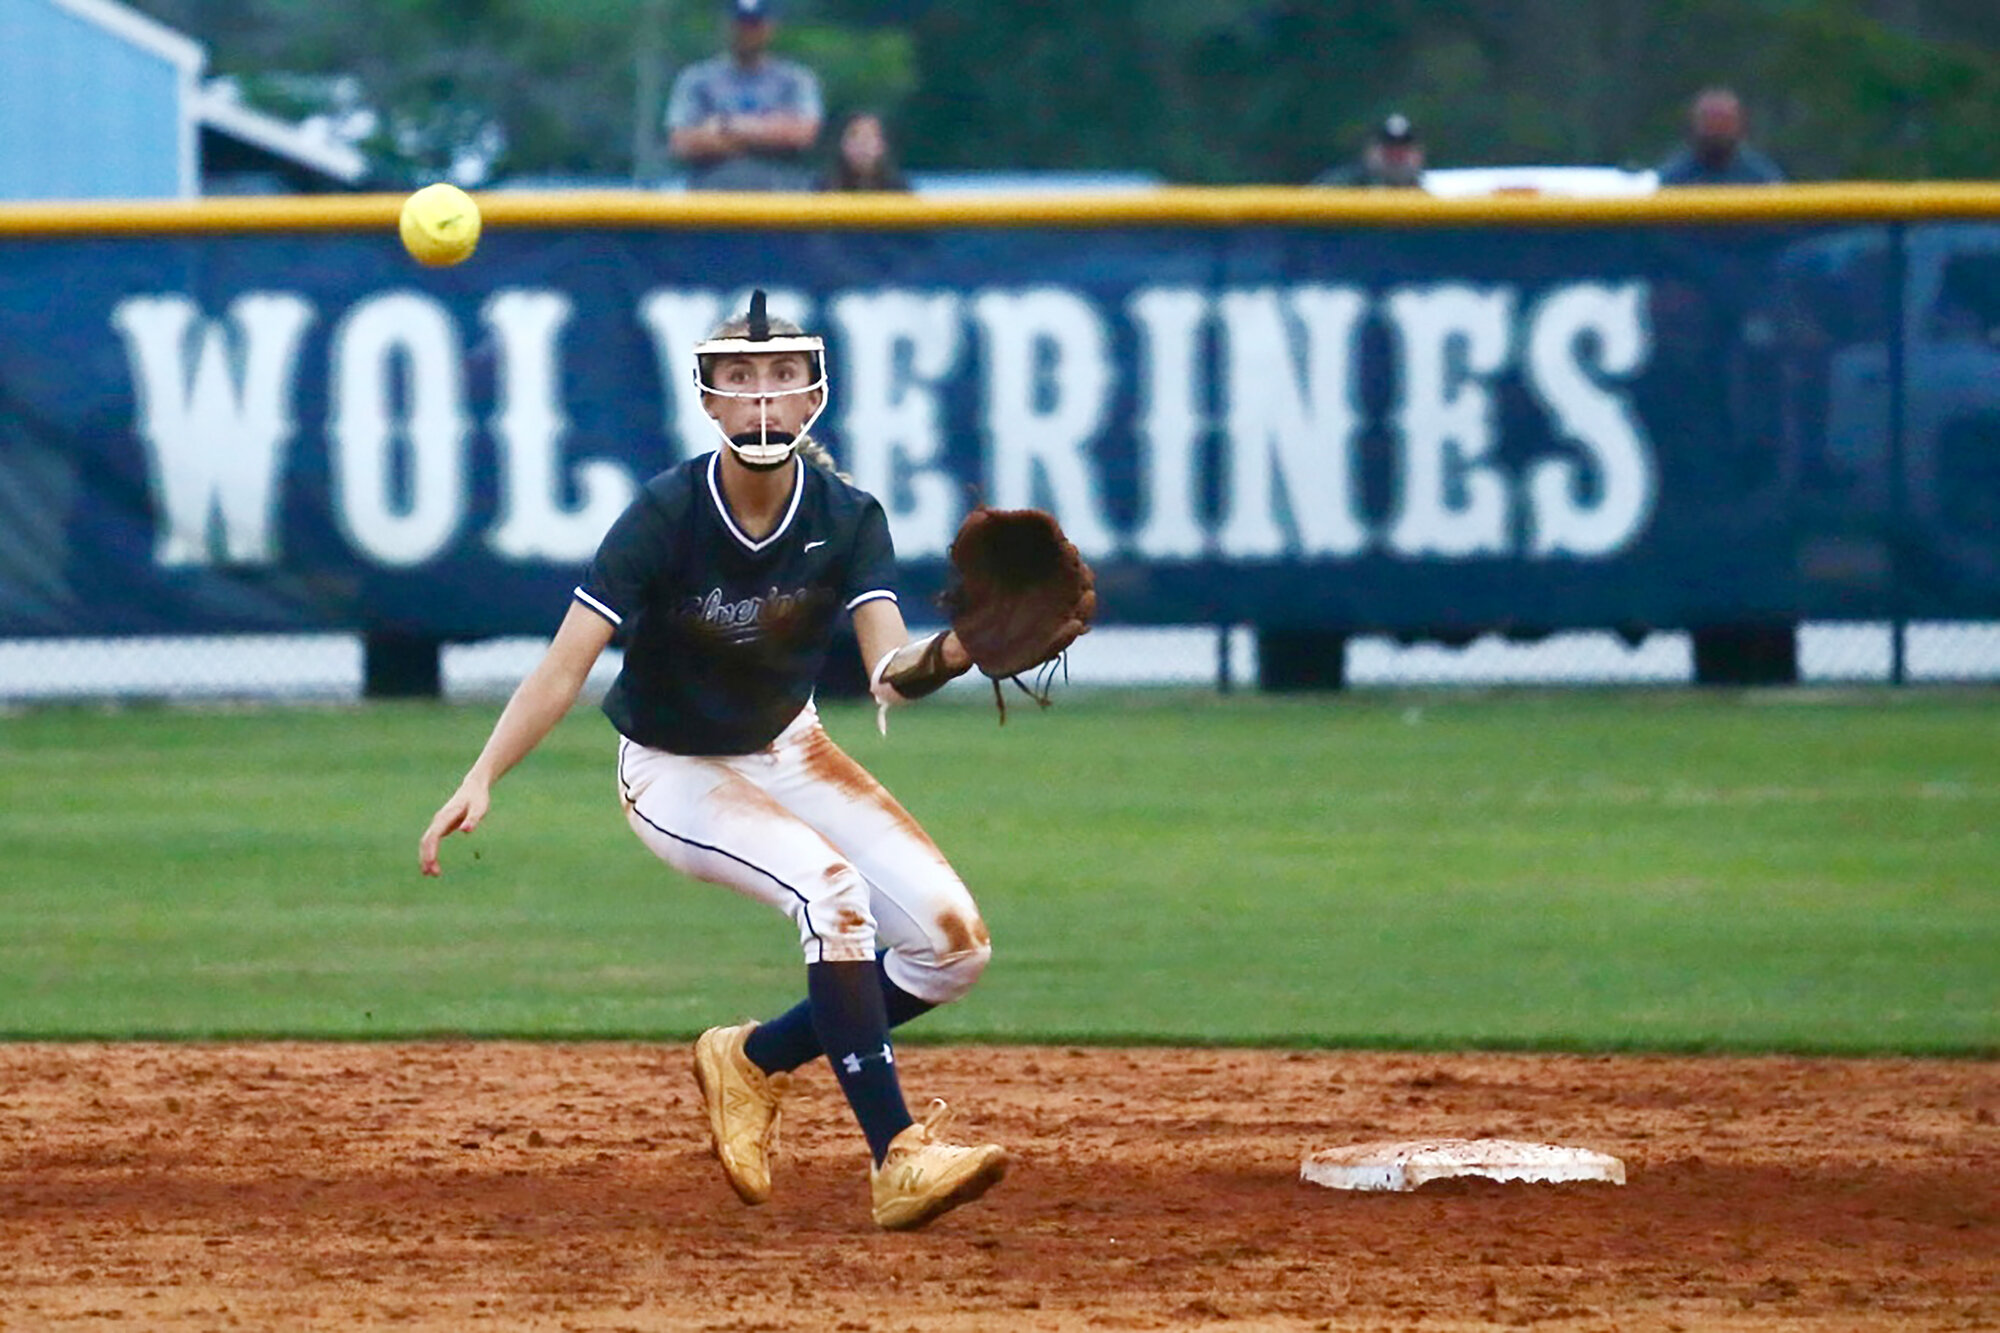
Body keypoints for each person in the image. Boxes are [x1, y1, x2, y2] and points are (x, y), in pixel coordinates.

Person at [417, 291, 1007, 1231]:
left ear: (814, 397)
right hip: (674, 770)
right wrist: (481, 773)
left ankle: (754, 1059)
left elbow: (890, 670)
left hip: (789, 746)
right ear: (710, 400)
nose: (762, 397)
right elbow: (567, 661)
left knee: (952, 947)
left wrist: (959, 650)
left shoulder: (849, 515)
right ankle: (898, 1155)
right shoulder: (666, 512)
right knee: (833, 891)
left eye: (781, 377)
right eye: (740, 378)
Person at [665, 0, 824, 192]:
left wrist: (726, 126)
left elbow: (803, 135)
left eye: (755, 24)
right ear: (727, 25)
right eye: (742, 24)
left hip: (783, 196)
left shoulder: (796, 79)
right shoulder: (697, 79)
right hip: (712, 195)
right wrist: (770, 134)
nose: (748, 33)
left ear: (770, 26)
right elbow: (681, 143)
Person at [1656, 88, 1784, 186]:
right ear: (1694, 124)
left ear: (1740, 124)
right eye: (1709, 120)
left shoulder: (1762, 177)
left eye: (1724, 121)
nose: (1717, 129)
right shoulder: (1671, 178)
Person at [1314, 113, 1426, 188]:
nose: (1396, 153)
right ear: (1370, 149)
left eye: (1404, 146)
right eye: (1388, 146)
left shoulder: (1430, 187)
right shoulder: (1343, 185)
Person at [817, 111, 912, 193]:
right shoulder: (824, 189)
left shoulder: (899, 190)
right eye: (854, 135)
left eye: (869, 136)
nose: (862, 144)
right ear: (842, 144)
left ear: (882, 145)